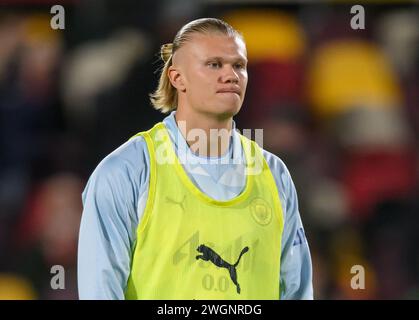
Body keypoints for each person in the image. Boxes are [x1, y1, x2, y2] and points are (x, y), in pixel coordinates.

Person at [77, 17, 313, 300]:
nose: (231, 75)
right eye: (214, 64)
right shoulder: (126, 171)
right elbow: (99, 292)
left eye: (239, 65)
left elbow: (297, 290)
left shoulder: (274, 174)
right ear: (177, 77)